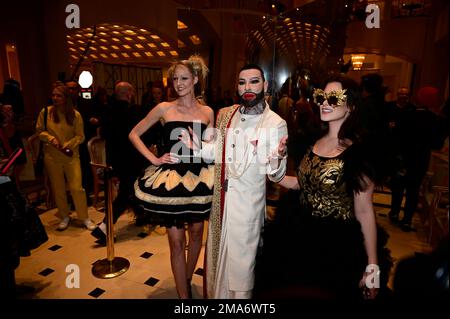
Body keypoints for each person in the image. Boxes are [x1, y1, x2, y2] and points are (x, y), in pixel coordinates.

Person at [182, 64, 288, 299]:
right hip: (222, 203)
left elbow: (275, 175)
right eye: (242, 82)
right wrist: (197, 149)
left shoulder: (275, 123)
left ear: (265, 85)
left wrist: (276, 158)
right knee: (220, 267)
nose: (247, 88)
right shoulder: (228, 115)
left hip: (248, 208)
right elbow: (217, 152)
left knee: (242, 272)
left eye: (254, 81)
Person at [271, 77, 379, 299]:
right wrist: (274, 166)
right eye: (321, 97)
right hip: (299, 238)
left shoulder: (359, 153)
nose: (324, 103)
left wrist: (372, 266)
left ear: (351, 105)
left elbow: (365, 211)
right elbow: (299, 184)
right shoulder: (313, 142)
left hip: (335, 248)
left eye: (333, 98)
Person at [129, 55, 214, 299]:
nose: (178, 83)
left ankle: (186, 279)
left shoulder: (208, 111)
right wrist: (154, 159)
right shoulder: (164, 108)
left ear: (195, 79)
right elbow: (134, 134)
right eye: (175, 78)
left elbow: (210, 148)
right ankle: (183, 298)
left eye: (184, 78)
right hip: (171, 181)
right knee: (176, 242)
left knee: (197, 234)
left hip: (200, 178)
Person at [90, 82, 145, 244]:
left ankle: (142, 216)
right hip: (132, 159)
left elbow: (105, 136)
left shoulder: (107, 111)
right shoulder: (133, 112)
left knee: (133, 188)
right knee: (126, 193)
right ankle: (104, 228)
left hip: (116, 159)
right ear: (129, 94)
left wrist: (111, 164)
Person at [35, 85, 96, 231]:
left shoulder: (75, 115)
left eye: (59, 96)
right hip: (52, 156)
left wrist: (68, 144)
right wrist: (50, 138)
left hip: (71, 156)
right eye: (53, 95)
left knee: (76, 187)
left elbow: (80, 136)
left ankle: (84, 217)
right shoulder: (45, 112)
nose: (55, 98)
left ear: (66, 98)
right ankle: (64, 216)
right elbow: (39, 131)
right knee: (58, 188)